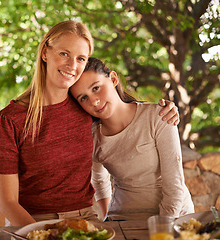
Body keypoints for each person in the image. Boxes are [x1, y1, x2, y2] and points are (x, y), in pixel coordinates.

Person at [0, 20, 180, 227]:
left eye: (81, 58)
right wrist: (40, 234)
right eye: (64, 53)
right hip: (32, 223)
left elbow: (125, 115)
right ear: (45, 52)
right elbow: (8, 203)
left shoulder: (85, 109)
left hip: (85, 221)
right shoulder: (9, 120)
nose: (72, 65)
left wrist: (166, 109)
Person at [70, 57, 194, 221]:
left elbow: (175, 187)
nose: (94, 101)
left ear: (113, 79)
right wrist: (108, 218)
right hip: (123, 220)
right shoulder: (93, 137)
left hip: (174, 217)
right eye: (83, 98)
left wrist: (162, 228)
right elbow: (99, 180)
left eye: (96, 88)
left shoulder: (159, 116)